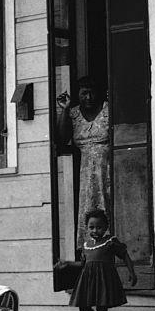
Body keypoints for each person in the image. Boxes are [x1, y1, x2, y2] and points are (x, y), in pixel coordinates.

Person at [69, 209, 137, 311]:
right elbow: (83, 264)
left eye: (99, 227)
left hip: (103, 280)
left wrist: (132, 272)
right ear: (87, 228)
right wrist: (66, 264)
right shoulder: (86, 245)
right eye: (91, 227)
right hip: (88, 280)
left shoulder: (110, 241)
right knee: (83, 307)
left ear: (105, 228)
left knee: (102, 309)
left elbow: (124, 255)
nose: (95, 230)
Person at [56, 77, 111, 250]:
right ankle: (89, 249)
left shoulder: (108, 109)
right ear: (78, 95)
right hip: (85, 171)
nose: (89, 97)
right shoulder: (73, 114)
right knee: (88, 207)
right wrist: (64, 110)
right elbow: (62, 139)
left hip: (107, 168)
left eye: (92, 92)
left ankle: (109, 245)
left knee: (107, 204)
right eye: (84, 93)